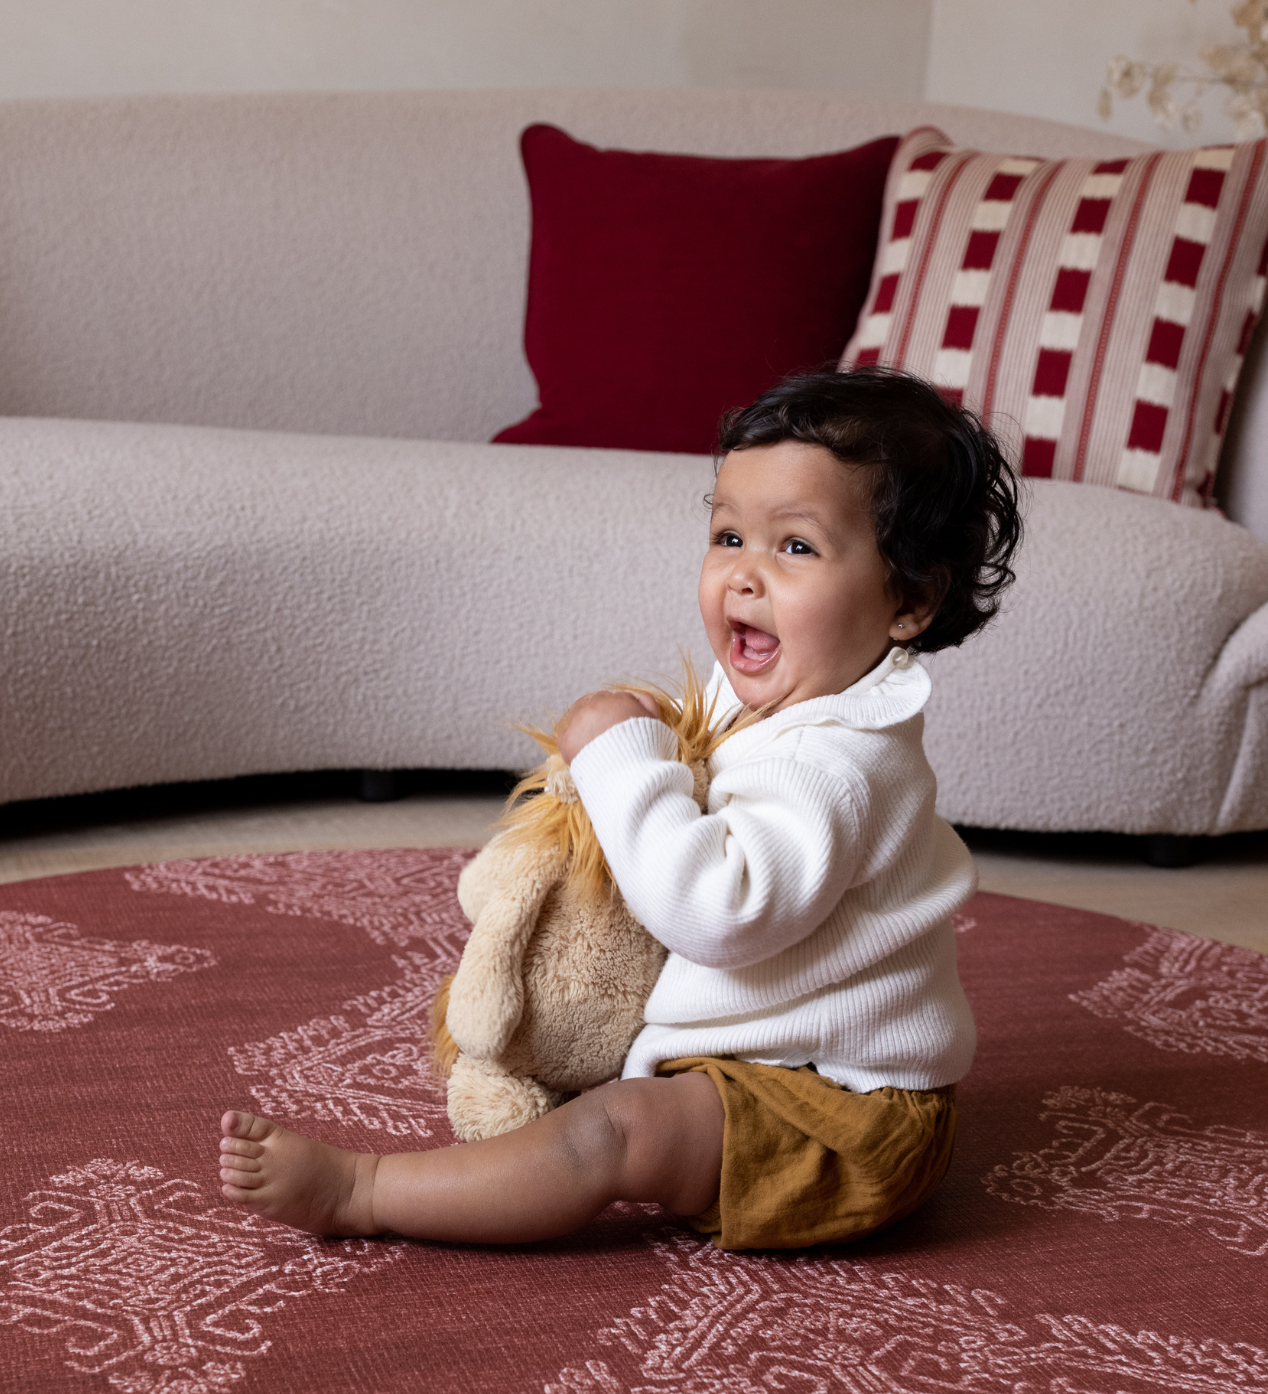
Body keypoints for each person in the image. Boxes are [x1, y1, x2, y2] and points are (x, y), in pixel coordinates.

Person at [217, 367, 1022, 1250]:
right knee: (585, 1062)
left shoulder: (836, 763)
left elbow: (717, 912)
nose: (744, 577)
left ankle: (365, 1191)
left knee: (611, 1131)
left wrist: (624, 763)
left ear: (908, 600)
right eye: (727, 535)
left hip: (838, 1114)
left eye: (795, 548)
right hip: (762, 1058)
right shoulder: (779, 700)